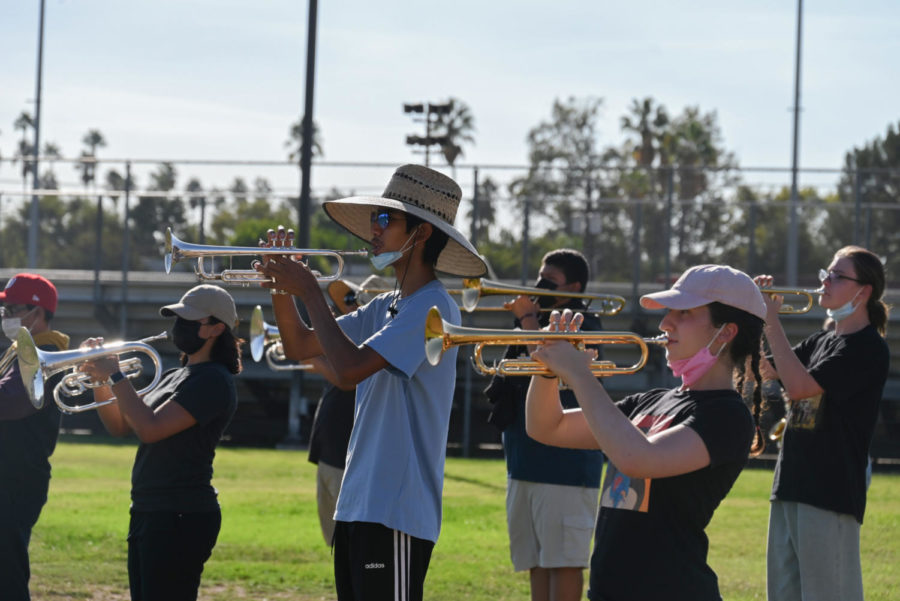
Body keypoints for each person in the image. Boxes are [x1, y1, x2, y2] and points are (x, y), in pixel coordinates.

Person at [255, 164, 486, 601]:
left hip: (396, 512)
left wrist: (309, 291)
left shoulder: (433, 308)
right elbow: (300, 345)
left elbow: (347, 370)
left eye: (385, 220)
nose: (373, 231)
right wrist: (279, 285)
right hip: (359, 504)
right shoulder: (386, 305)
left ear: (420, 234)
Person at [525, 264, 767, 601]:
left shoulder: (728, 416)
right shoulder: (650, 401)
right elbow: (547, 427)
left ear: (726, 332)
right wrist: (548, 371)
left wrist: (580, 375)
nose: (666, 323)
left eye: (684, 313)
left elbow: (639, 458)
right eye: (669, 312)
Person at [80, 284, 241, 601]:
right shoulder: (174, 375)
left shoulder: (213, 380)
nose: (179, 326)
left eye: (189, 319)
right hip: (150, 509)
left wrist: (115, 375)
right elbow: (120, 425)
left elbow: (150, 429)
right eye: (178, 317)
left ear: (216, 329)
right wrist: (100, 380)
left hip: (180, 514)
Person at [756, 246, 889, 601]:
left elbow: (800, 389)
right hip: (790, 484)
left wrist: (772, 321)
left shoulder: (867, 347)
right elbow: (769, 369)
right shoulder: (822, 340)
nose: (825, 282)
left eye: (837, 276)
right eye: (825, 274)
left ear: (863, 292)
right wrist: (753, 311)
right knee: (784, 595)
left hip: (829, 490)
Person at [484, 249, 604, 601]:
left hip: (565, 469)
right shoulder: (531, 320)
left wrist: (526, 321)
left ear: (574, 287)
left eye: (549, 281)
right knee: (535, 561)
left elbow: (551, 358)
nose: (539, 286)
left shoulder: (587, 325)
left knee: (564, 563)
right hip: (523, 464)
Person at [307, 274, 390, 546]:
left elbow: (347, 381)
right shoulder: (349, 345)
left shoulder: (373, 347)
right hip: (329, 454)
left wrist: (314, 357)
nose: (348, 305)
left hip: (348, 458)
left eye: (355, 300)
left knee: (352, 545)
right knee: (335, 545)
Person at [0, 273, 68, 601]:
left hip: (16, 479)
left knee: (7, 578)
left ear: (37, 313)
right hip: (11, 475)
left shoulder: (44, 354)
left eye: (13, 309)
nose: (6, 316)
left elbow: (12, 402)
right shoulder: (20, 352)